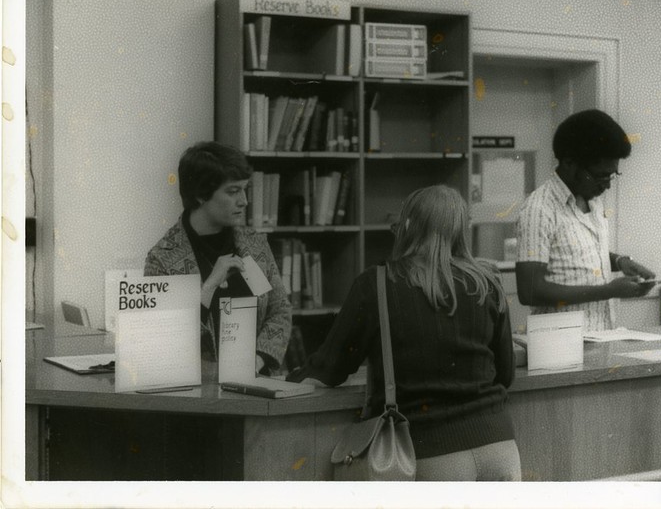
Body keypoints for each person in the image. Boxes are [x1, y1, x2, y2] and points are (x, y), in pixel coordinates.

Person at [287, 185, 521, 481]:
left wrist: (287, 378)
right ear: (461, 229)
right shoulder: (488, 283)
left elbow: (330, 369)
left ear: (407, 227)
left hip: (433, 452)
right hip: (499, 446)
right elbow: (506, 374)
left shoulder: (378, 284)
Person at [144, 141, 291, 374]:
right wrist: (209, 286)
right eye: (233, 191)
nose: (244, 201)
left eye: (245, 190)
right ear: (201, 195)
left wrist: (258, 360)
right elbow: (165, 339)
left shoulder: (255, 244)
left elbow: (280, 310)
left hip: (256, 381)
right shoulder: (161, 259)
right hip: (196, 393)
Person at [516, 109, 656, 332]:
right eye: (601, 176)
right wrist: (608, 290)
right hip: (559, 345)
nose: (607, 185)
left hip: (601, 334)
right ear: (570, 163)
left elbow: (573, 256)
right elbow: (530, 290)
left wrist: (620, 262)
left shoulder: (592, 199)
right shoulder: (539, 209)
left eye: (612, 176)